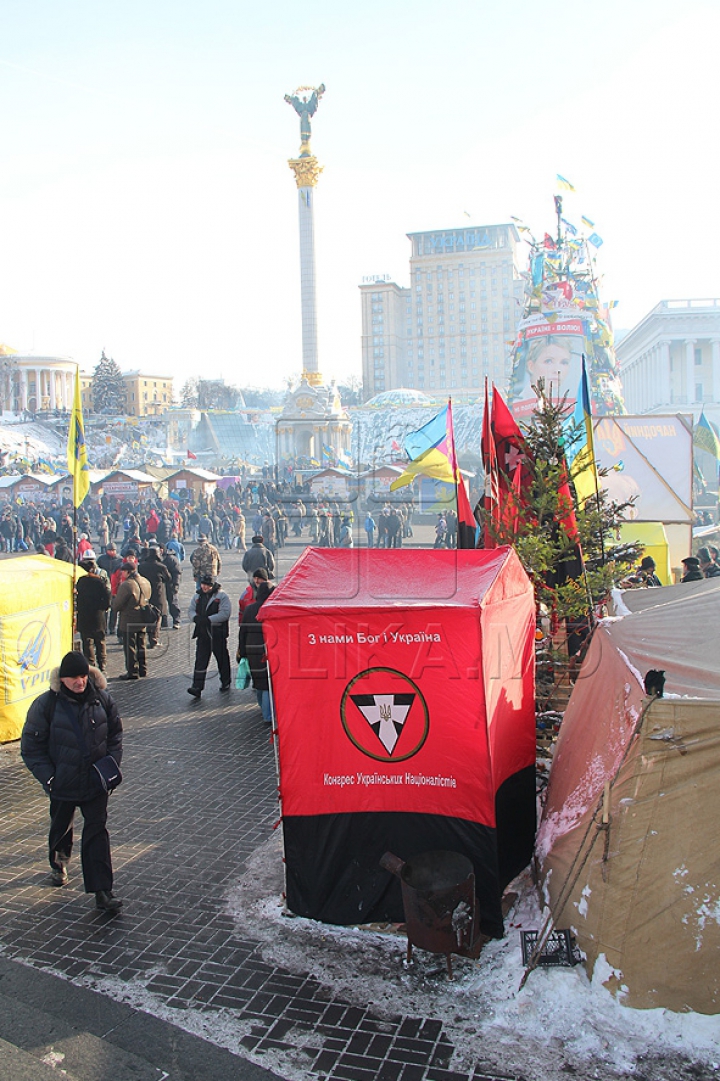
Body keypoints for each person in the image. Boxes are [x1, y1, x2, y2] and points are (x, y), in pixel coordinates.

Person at [20, 651, 123, 913]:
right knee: (61, 826)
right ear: (62, 679)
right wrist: (50, 778)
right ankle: (59, 862)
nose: (79, 681)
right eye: (73, 677)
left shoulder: (102, 700)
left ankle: (102, 891)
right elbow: (31, 747)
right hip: (63, 782)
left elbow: (115, 735)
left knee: (97, 833)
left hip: (94, 783)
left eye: (82, 675)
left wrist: (110, 767)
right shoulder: (46, 705)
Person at [187, 574, 232, 698]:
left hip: (217, 634)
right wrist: (195, 618)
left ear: (212, 585)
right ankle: (197, 686)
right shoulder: (197, 596)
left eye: (207, 585)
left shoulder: (222, 596)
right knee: (200, 661)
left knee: (222, 660)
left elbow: (225, 613)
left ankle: (225, 681)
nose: (205, 587)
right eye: (203, 584)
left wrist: (208, 620)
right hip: (202, 634)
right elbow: (190, 610)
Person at [237, 579, 275, 723]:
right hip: (266, 651)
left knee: (258, 681)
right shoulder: (270, 610)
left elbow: (243, 631)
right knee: (266, 684)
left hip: (251, 649)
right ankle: (268, 716)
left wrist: (242, 650)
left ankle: (261, 707)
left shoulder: (250, 609)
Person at [112, 561, 152, 680]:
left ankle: (132, 671)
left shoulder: (127, 585)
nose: (122, 573)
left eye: (123, 571)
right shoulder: (145, 581)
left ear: (128, 572)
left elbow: (117, 605)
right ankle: (143, 668)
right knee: (141, 644)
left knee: (130, 646)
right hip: (143, 617)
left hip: (129, 618)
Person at [76, 557, 111, 671]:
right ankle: (103, 663)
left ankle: (91, 664)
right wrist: (104, 607)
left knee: (87, 642)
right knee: (100, 641)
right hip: (98, 615)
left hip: (84, 616)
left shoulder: (80, 582)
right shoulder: (99, 581)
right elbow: (107, 596)